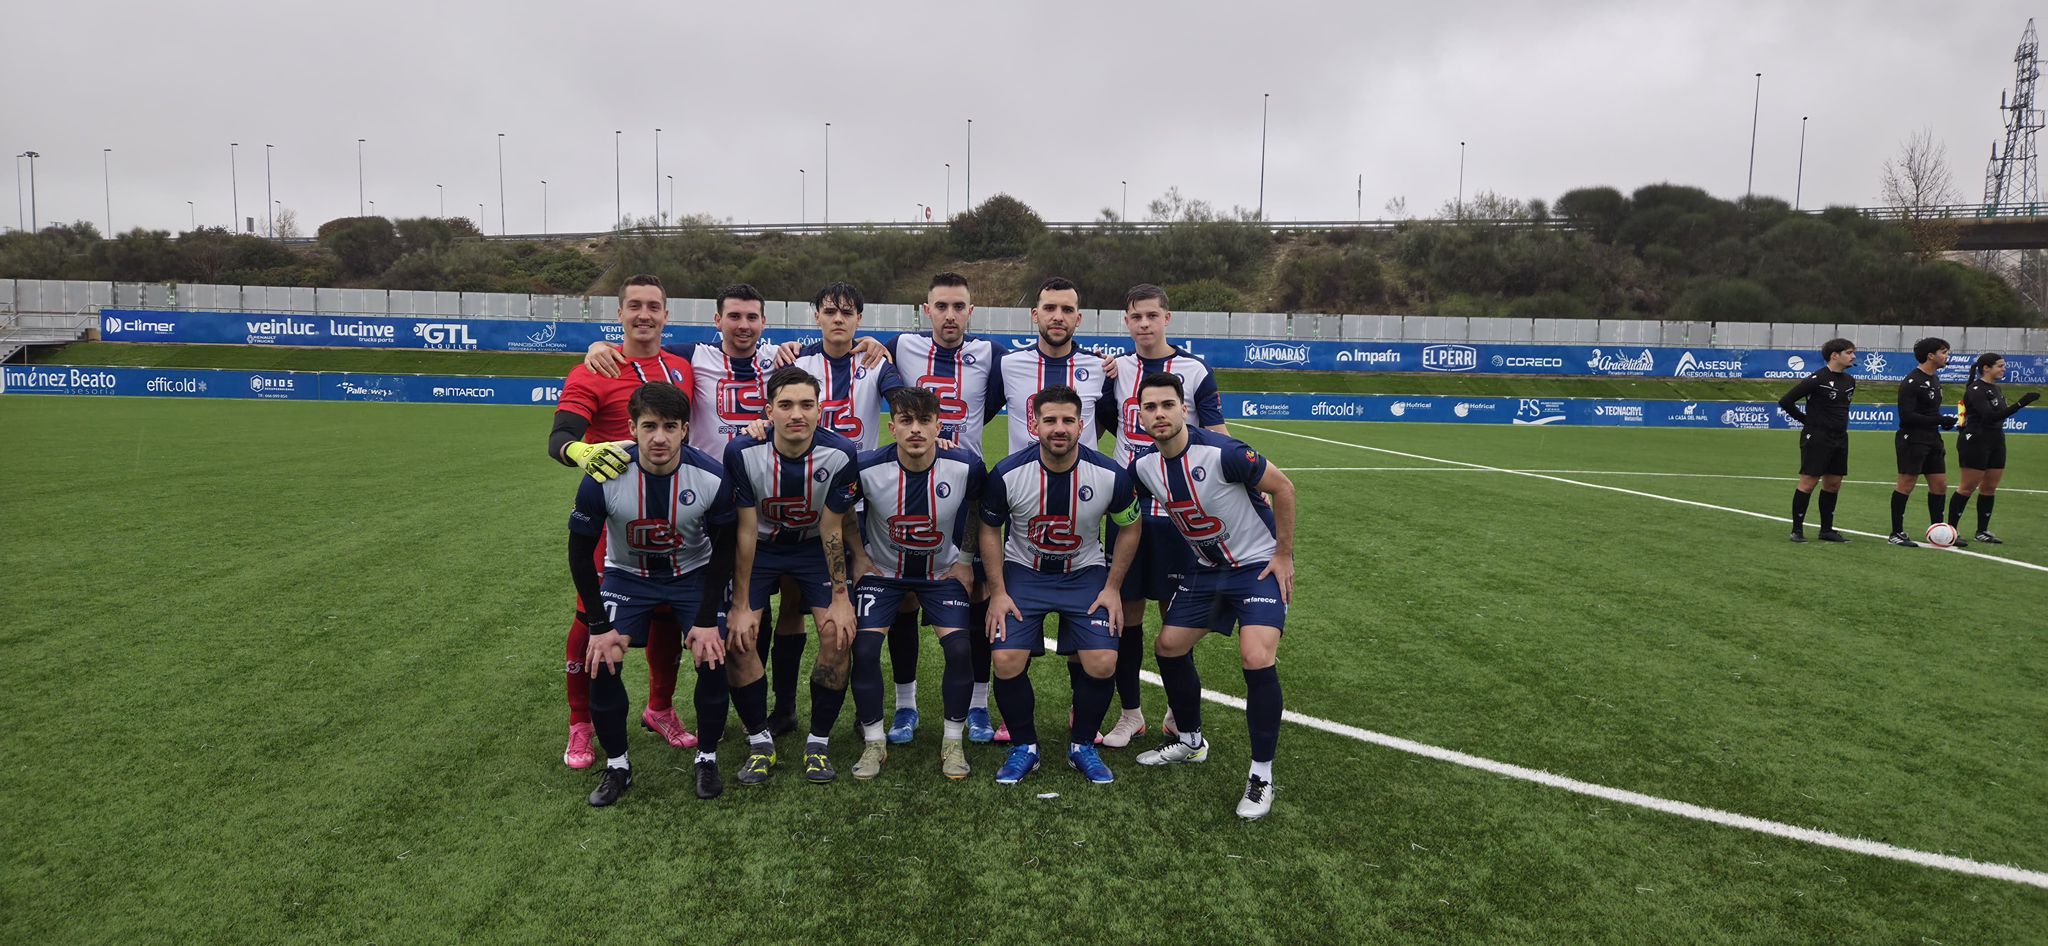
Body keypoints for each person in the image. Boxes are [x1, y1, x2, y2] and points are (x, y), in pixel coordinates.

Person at [583, 284, 813, 737]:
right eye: (734, 316)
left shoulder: (782, 359)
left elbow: (841, 344)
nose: (743, 325)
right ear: (717, 321)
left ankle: (780, 708)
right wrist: (598, 346)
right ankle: (737, 711)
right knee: (738, 613)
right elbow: (642, 346)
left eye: (752, 317)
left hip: (775, 497)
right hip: (707, 503)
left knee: (783, 607)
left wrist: (870, 342)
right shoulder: (694, 356)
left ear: (764, 323)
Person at [1128, 373, 1298, 820]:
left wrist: (1283, 555)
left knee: (1256, 657)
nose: (1159, 414)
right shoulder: (1145, 467)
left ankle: (1261, 775)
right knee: (1168, 647)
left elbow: (1283, 488)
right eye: (1150, 407)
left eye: (1168, 405)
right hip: (1206, 571)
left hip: (1256, 567)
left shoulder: (1225, 453)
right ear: (1139, 415)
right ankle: (1189, 741)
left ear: (1184, 409)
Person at [547, 274, 700, 768]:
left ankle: (659, 709)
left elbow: (734, 343)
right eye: (634, 306)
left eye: (653, 306)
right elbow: (560, 438)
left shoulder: (680, 364)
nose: (644, 315)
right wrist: (581, 450)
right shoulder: (594, 368)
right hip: (613, 522)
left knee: (663, 617)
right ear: (619, 314)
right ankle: (581, 723)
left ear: (665, 314)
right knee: (586, 619)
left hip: (674, 514)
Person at [566, 382, 736, 806]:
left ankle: (707, 758)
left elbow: (725, 552)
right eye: (649, 426)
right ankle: (618, 766)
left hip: (693, 575)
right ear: (631, 428)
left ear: (685, 431)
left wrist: (705, 618)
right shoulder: (603, 476)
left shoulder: (712, 478)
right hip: (627, 577)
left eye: (670, 427)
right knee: (602, 658)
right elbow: (580, 554)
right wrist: (601, 626)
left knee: (713, 656)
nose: (659, 437)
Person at [980, 386, 1143, 786]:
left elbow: (1130, 526)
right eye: (1050, 420)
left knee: (1103, 662)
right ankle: (1025, 746)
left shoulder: (1109, 475)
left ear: (1081, 425)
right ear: (1033, 424)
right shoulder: (1006, 474)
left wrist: (1113, 586)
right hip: (1024, 572)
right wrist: (998, 591)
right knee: (1005, 660)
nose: (1059, 428)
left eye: (1068, 420)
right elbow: (988, 529)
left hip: (1084, 574)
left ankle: (1082, 744)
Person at [819, 387, 985, 781]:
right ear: (891, 427)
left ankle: (952, 740)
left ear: (939, 426)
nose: (915, 430)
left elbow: (981, 509)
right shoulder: (864, 466)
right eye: (906, 422)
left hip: (940, 573)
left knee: (961, 649)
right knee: (865, 646)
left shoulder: (966, 466)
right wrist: (858, 556)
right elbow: (833, 518)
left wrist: (964, 561)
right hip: (886, 575)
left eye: (924, 421)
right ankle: (875, 742)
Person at [877, 273, 1005, 747]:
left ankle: (977, 704)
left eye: (959, 306)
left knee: (975, 595)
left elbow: (993, 402)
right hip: (912, 486)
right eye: (941, 306)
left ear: (971, 311)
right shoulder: (901, 345)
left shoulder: (990, 354)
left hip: (968, 489)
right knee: (908, 597)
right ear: (925, 309)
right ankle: (906, 705)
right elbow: (868, 360)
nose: (950, 315)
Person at [720, 367, 864, 786]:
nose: (796, 414)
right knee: (739, 636)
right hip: (761, 547)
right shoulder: (742, 453)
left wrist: (841, 596)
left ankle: (818, 743)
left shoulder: (840, 453)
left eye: (805, 404)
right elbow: (745, 531)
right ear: (769, 411)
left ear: (820, 410)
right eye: (785, 405)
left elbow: (832, 529)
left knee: (839, 633)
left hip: (811, 547)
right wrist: (742, 604)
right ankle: (759, 742)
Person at [1099, 283, 1228, 746]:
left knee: (1176, 618)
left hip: (1179, 513)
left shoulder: (1194, 370)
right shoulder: (1115, 369)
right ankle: (1130, 713)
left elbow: (1216, 433)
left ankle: (1178, 710)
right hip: (1129, 509)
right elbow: (1103, 421)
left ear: (1167, 318)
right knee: (1126, 614)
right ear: (1126, 321)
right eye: (1136, 317)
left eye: (1153, 315)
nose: (1145, 324)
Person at [1948, 352, 2041, 543]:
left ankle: (1982, 531)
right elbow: (1989, 416)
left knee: (1989, 488)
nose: (2004, 369)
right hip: (1976, 440)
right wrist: (2021, 403)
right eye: (2000, 365)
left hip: (1996, 440)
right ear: (1986, 368)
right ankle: (1951, 531)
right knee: (1967, 488)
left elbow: (1999, 415)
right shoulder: (1975, 389)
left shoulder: (1996, 389)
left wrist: (2017, 405)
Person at [1776, 338, 1857, 544]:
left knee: (1833, 484)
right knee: (1808, 482)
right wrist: (1807, 421)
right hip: (1817, 437)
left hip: (1840, 438)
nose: (1853, 356)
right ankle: (1797, 530)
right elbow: (1786, 401)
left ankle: (1827, 530)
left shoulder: (1850, 381)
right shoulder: (1816, 379)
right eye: (1849, 352)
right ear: (1834, 355)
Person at [1889, 337, 1959, 547]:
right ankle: (1896, 533)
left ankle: (1939, 533)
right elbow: (1907, 416)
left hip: (1932, 438)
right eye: (1943, 352)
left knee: (1940, 485)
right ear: (1931, 355)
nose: (1947, 356)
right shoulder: (1913, 381)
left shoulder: (1935, 379)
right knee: (1906, 484)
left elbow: (1929, 413)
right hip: (1913, 439)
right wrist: (1939, 419)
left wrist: (1942, 424)